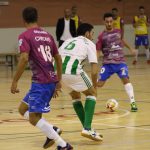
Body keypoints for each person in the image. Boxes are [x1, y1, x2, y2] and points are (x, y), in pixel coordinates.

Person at [10, 7, 73, 150]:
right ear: (37, 18)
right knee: (22, 109)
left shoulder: (25, 36)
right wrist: (58, 80)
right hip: (47, 81)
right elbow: (58, 58)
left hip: (41, 83)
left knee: (33, 118)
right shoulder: (47, 35)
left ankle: (63, 145)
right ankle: (52, 130)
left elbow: (24, 58)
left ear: (24, 19)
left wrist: (15, 81)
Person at [59, 23, 103, 141]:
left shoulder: (67, 41)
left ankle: (87, 128)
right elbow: (94, 71)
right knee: (92, 94)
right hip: (73, 70)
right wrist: (94, 87)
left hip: (57, 73)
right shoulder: (89, 43)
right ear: (87, 33)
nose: (93, 36)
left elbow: (56, 58)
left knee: (75, 96)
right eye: (92, 33)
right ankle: (87, 128)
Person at [96, 13, 138, 112]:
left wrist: (131, 49)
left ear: (113, 22)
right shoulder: (101, 36)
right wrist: (95, 62)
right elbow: (98, 51)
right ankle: (89, 97)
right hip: (108, 64)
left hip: (120, 63)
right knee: (99, 84)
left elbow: (122, 40)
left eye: (111, 21)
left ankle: (133, 102)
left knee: (126, 79)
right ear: (104, 22)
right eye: (107, 22)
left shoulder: (118, 31)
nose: (109, 23)